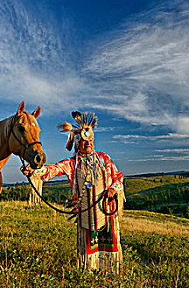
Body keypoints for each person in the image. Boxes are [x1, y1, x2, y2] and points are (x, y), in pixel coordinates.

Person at [22, 111, 124, 274]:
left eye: (90, 141)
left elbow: (118, 177)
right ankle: (89, 277)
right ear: (77, 144)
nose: (88, 144)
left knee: (108, 246)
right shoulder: (72, 164)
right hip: (85, 215)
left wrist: (112, 189)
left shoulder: (104, 159)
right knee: (88, 249)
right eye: (84, 142)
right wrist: (34, 170)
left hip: (106, 212)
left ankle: (110, 274)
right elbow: (52, 170)